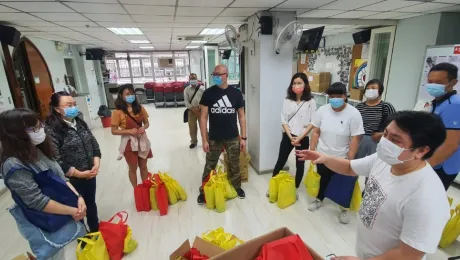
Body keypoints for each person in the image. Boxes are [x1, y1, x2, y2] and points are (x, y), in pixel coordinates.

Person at [296, 111, 450, 260]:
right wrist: (325, 158)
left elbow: (408, 255)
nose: (384, 142)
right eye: (385, 134)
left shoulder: (428, 199)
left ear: (421, 151)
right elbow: (350, 168)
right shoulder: (386, 159)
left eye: (395, 140)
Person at [0, 109, 87, 259]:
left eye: (39, 126)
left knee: (61, 252)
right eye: (34, 128)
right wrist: (73, 211)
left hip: (63, 210)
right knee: (52, 252)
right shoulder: (13, 164)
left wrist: (78, 197)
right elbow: (37, 201)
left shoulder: (38, 149)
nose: (40, 130)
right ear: (16, 135)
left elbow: (61, 177)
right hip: (45, 221)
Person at [308, 82, 364, 224]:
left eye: (337, 96)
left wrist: (350, 159)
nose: (334, 99)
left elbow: (356, 138)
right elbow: (315, 132)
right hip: (323, 154)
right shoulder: (323, 110)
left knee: (343, 184)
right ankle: (320, 199)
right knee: (323, 179)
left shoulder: (354, 114)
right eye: (331, 96)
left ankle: (343, 208)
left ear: (345, 96)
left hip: (342, 157)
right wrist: (312, 151)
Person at [45, 91, 101, 232]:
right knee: (78, 210)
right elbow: (55, 160)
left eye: (74, 104)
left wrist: (96, 163)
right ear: (57, 108)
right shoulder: (51, 129)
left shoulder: (79, 122)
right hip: (70, 180)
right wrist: (79, 174)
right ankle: (82, 239)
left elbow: (93, 144)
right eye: (68, 105)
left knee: (91, 204)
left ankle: (96, 233)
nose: (73, 107)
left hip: (89, 174)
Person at [197, 65, 246, 204]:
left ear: (226, 75)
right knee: (210, 164)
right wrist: (204, 139)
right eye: (214, 74)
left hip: (232, 136)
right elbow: (203, 117)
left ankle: (237, 187)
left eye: (219, 74)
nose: (216, 76)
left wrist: (243, 137)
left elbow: (242, 116)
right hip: (214, 137)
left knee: (235, 164)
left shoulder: (236, 94)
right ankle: (204, 190)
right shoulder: (208, 93)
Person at [271, 73, 316, 194]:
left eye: (299, 83)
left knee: (300, 165)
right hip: (288, 136)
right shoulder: (287, 100)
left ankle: (294, 189)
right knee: (281, 161)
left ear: (305, 84)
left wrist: (299, 138)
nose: (296, 85)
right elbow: (283, 119)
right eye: (294, 83)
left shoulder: (311, 101)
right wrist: (291, 137)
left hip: (303, 137)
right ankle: (273, 186)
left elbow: (313, 122)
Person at [425, 63, 460, 191]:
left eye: (438, 82)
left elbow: (451, 145)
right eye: (430, 81)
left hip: (442, 165)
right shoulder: (438, 102)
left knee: (428, 202)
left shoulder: (454, 105)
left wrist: (425, 167)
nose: (433, 85)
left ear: (453, 82)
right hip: (432, 160)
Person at [111, 84, 152, 187]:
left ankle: (146, 187)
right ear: (121, 96)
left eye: (132, 93)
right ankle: (137, 190)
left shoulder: (140, 108)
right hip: (129, 143)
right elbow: (114, 131)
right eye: (127, 94)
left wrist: (144, 127)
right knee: (133, 168)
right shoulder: (117, 112)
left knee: (143, 167)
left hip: (142, 140)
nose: (131, 96)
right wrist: (128, 131)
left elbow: (146, 123)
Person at [355, 79, 396, 159]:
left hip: (377, 140)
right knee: (358, 163)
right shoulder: (359, 107)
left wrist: (382, 134)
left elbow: (395, 125)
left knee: (374, 164)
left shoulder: (386, 107)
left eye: (373, 88)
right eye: (368, 88)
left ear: (380, 91)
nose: (370, 90)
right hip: (359, 140)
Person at [184, 73, 204, 149]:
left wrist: (200, 107)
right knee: (192, 128)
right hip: (191, 111)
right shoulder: (186, 89)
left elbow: (204, 99)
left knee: (203, 127)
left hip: (201, 110)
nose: (193, 80)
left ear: (197, 79)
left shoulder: (202, 88)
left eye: (194, 79)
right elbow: (186, 101)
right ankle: (194, 142)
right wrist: (193, 109)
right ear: (189, 80)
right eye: (191, 79)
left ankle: (206, 141)